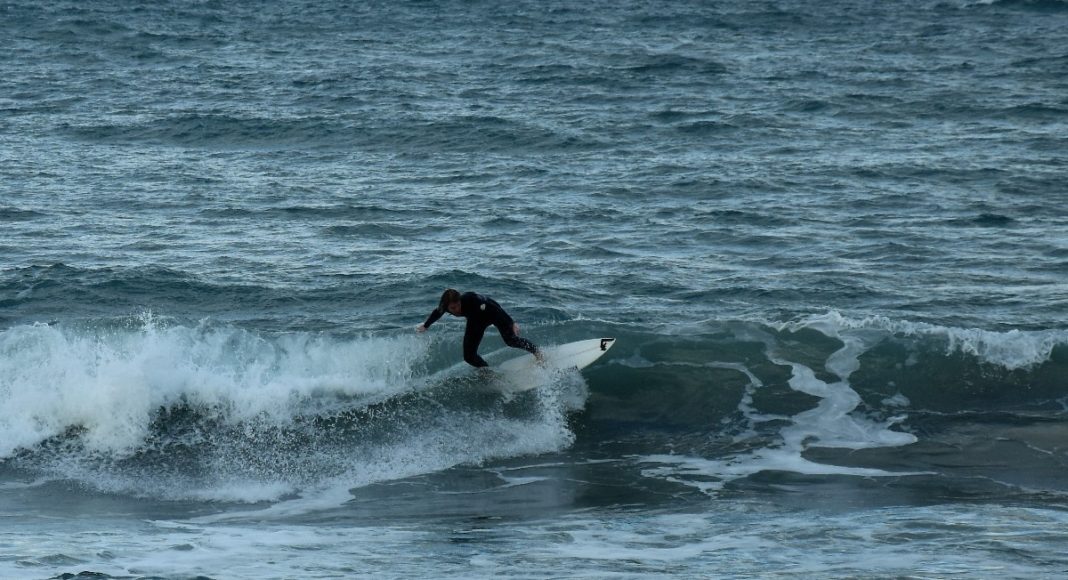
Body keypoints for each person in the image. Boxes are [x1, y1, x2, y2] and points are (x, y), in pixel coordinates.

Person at [417, 288, 540, 368]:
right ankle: (486, 371)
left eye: (458, 305)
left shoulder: (471, 299)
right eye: (453, 308)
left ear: (460, 300)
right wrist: (425, 326)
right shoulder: (444, 306)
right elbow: (437, 313)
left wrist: (511, 322)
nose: (457, 309)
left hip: (492, 314)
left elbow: (492, 304)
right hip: (475, 321)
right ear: (447, 306)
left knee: (511, 341)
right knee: (468, 356)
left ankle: (537, 352)